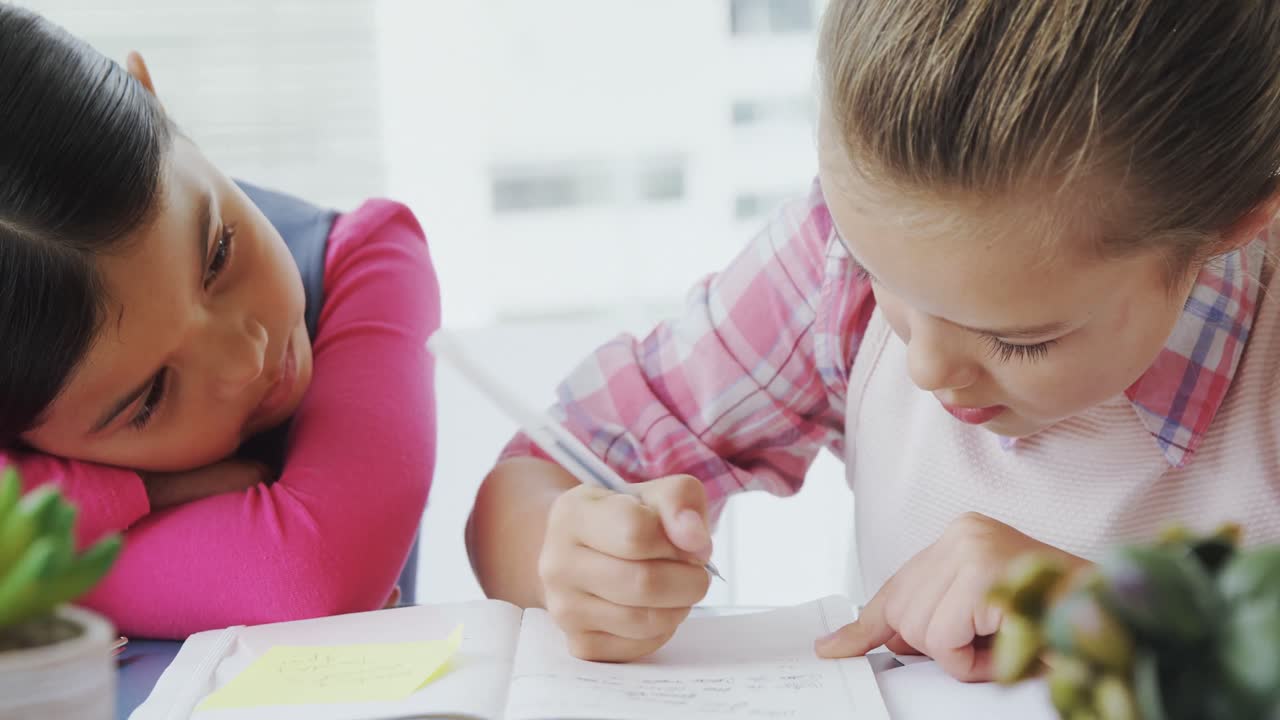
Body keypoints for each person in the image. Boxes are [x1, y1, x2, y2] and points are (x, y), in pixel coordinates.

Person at [467, 0, 1280, 681]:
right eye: (883, 277)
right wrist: (579, 561)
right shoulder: (836, 260)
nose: (928, 370)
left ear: (1233, 226)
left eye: (1019, 340)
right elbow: (534, 479)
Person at [0, 4, 439, 639]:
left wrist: (35, 572)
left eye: (218, 255)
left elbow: (310, 573)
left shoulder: (366, 262)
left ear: (155, 101)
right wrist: (144, 492)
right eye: (150, 398)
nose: (247, 358)